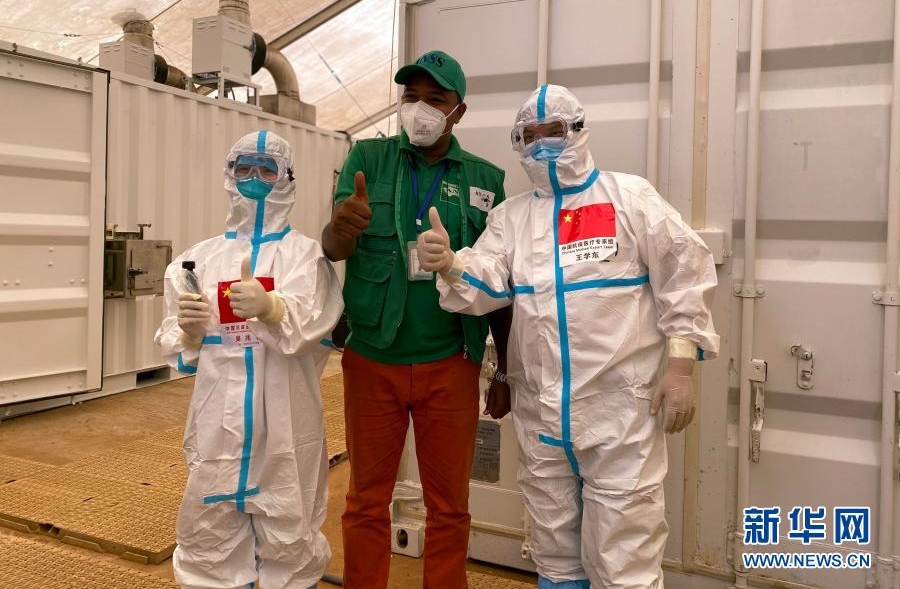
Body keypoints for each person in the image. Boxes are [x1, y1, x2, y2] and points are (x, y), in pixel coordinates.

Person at [417, 84, 720, 589]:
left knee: (624, 560)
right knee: (554, 555)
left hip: (618, 415)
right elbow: (489, 281)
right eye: (528, 136)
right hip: (541, 417)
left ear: (577, 130)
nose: (541, 146)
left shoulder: (629, 198)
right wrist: (452, 264)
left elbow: (684, 271)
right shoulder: (511, 218)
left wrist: (682, 364)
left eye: (552, 132)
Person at [322, 50, 512, 588]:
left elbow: (502, 285)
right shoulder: (368, 158)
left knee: (449, 505)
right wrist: (341, 227)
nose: (420, 108)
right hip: (372, 359)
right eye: (411, 96)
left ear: (458, 111)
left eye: (435, 99)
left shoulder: (486, 180)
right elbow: (333, 248)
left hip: (451, 363)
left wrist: (503, 370)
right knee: (366, 499)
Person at [155, 129, 343, 589]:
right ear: (228, 174)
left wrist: (273, 308)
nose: (254, 177)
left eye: (267, 169)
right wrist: (190, 333)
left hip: (286, 424)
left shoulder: (307, 257)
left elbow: (314, 328)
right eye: (244, 168)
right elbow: (180, 353)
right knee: (208, 537)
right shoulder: (196, 261)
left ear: (287, 178)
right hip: (216, 425)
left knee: (291, 532)